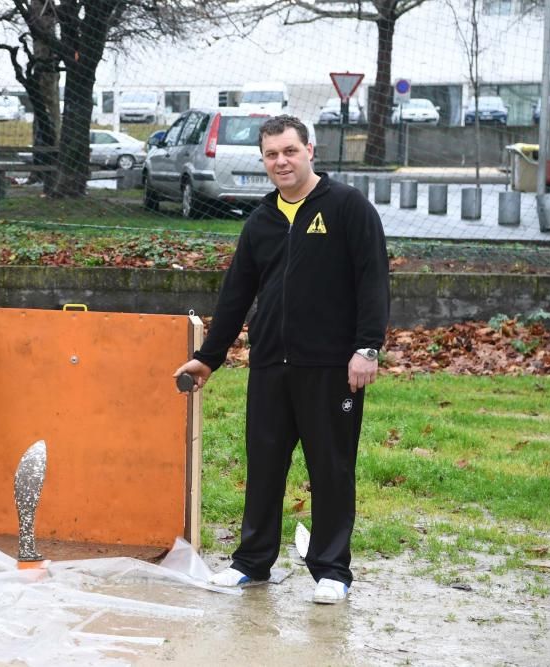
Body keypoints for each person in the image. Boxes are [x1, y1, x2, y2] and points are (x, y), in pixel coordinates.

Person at [173, 115, 389, 604]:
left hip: (332, 368)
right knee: (265, 465)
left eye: (289, 151)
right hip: (271, 365)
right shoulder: (262, 221)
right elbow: (236, 295)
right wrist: (208, 358)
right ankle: (252, 562)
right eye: (271, 155)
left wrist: (367, 347)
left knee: (331, 468)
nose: (281, 162)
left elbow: (373, 281)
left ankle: (333, 570)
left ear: (310, 150)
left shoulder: (349, 208)